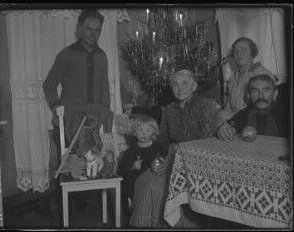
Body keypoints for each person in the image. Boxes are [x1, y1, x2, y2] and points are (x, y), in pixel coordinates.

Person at [129, 69, 222, 228]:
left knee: (156, 188)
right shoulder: (170, 109)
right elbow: (163, 140)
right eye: (175, 84)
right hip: (172, 159)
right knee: (143, 180)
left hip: (197, 165)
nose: (180, 88)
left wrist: (174, 154)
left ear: (194, 86)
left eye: (185, 83)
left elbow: (204, 141)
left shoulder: (206, 106)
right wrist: (161, 159)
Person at [42, 9, 110, 155]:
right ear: (79, 29)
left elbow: (104, 87)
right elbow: (49, 84)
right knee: (68, 166)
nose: (93, 34)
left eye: (97, 30)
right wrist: (55, 106)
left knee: (96, 164)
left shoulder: (102, 56)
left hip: (94, 121)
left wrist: (105, 112)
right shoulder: (66, 54)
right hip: (68, 120)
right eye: (89, 29)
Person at [117, 115, 167, 220]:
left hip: (154, 176)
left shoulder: (157, 146)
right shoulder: (133, 149)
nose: (144, 133)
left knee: (161, 188)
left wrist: (163, 161)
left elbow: (164, 157)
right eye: (140, 130)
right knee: (132, 186)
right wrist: (133, 165)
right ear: (135, 133)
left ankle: (156, 212)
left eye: (148, 130)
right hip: (138, 176)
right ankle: (137, 211)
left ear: (153, 133)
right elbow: (125, 163)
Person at [217, 74, 288, 140]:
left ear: (275, 94)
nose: (260, 96)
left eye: (266, 91)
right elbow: (231, 127)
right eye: (255, 91)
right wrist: (225, 130)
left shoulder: (285, 113)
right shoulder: (244, 114)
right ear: (248, 95)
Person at [220, 37, 275, 121]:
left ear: (252, 53)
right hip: (235, 122)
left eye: (244, 50)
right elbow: (228, 108)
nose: (239, 53)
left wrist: (232, 117)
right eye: (236, 50)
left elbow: (264, 108)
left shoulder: (262, 74)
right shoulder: (233, 79)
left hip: (255, 122)